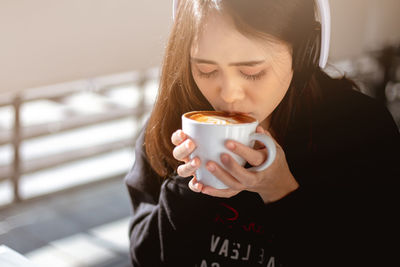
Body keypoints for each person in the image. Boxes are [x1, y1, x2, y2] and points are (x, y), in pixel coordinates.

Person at [125, 0, 400, 266]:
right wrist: (190, 185)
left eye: (252, 72)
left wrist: (280, 192)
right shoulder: (174, 123)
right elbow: (144, 257)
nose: (229, 95)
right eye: (206, 70)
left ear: (303, 54)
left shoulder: (360, 130)